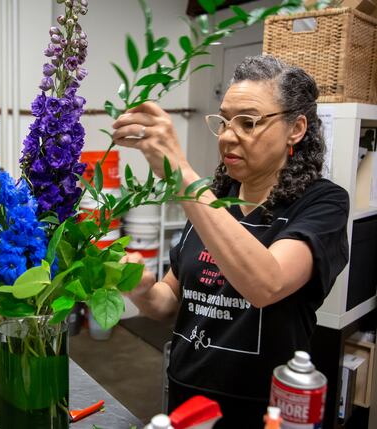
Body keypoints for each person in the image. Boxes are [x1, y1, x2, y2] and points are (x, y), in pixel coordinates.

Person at [113, 55, 349, 428]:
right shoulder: (212, 198)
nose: (227, 135)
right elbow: (167, 302)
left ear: (296, 129)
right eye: (224, 121)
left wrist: (181, 176)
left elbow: (265, 283)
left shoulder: (323, 203)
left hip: (263, 410)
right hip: (186, 396)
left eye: (248, 122)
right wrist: (141, 288)